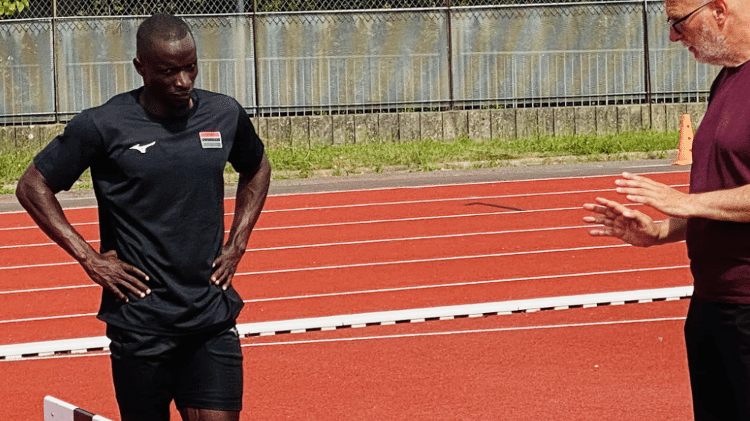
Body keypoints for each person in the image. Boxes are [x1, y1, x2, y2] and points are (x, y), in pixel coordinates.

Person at [15, 14, 271, 421]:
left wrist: (239, 240)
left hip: (209, 314)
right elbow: (31, 186)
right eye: (169, 71)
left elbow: (256, 167)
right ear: (141, 68)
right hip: (141, 322)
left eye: (190, 66)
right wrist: (90, 259)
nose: (183, 81)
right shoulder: (102, 125)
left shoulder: (224, 114)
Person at [583, 0, 750, 419]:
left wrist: (687, 202)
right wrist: (661, 230)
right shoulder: (727, 81)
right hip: (713, 305)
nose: (673, 36)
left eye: (678, 22)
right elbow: (724, 192)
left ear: (717, 10)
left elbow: (704, 199)